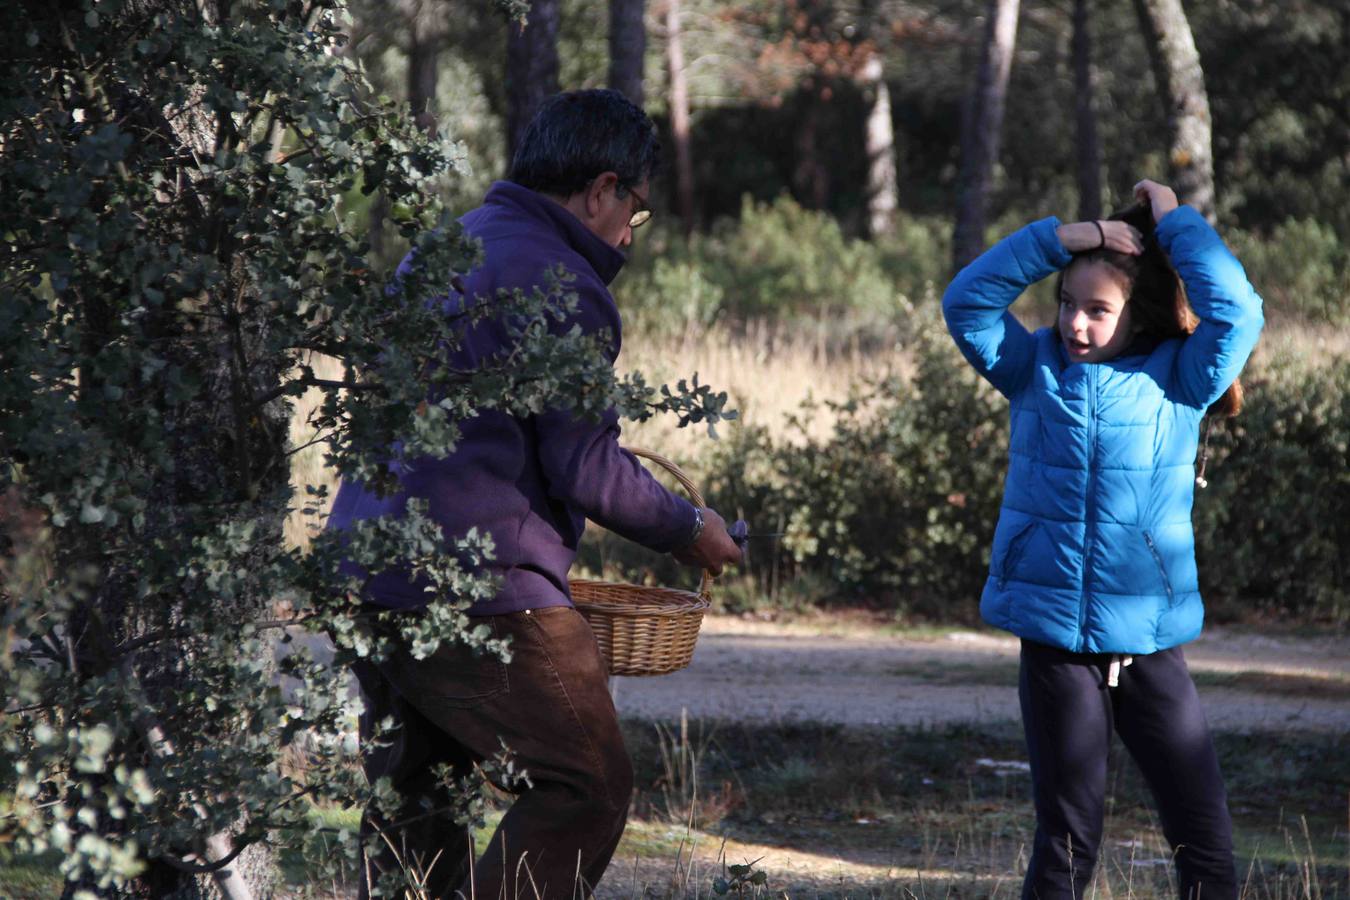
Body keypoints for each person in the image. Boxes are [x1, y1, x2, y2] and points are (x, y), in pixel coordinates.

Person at [327, 89, 743, 899]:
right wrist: (691, 526)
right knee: (585, 784)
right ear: (602, 190)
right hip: (483, 586)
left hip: (365, 567)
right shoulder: (565, 283)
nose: (630, 233)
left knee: (419, 802)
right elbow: (587, 465)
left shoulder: (443, 246)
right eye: (637, 211)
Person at [942, 179, 1264, 900]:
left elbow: (1237, 310)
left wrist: (1175, 222)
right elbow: (966, 300)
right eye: (1066, 305)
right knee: (1065, 844)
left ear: (1137, 312)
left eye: (1097, 311)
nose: (1075, 326)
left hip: (1149, 643)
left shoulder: (1182, 379)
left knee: (1204, 840)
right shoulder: (1032, 371)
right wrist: (1076, 236)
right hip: (1056, 645)